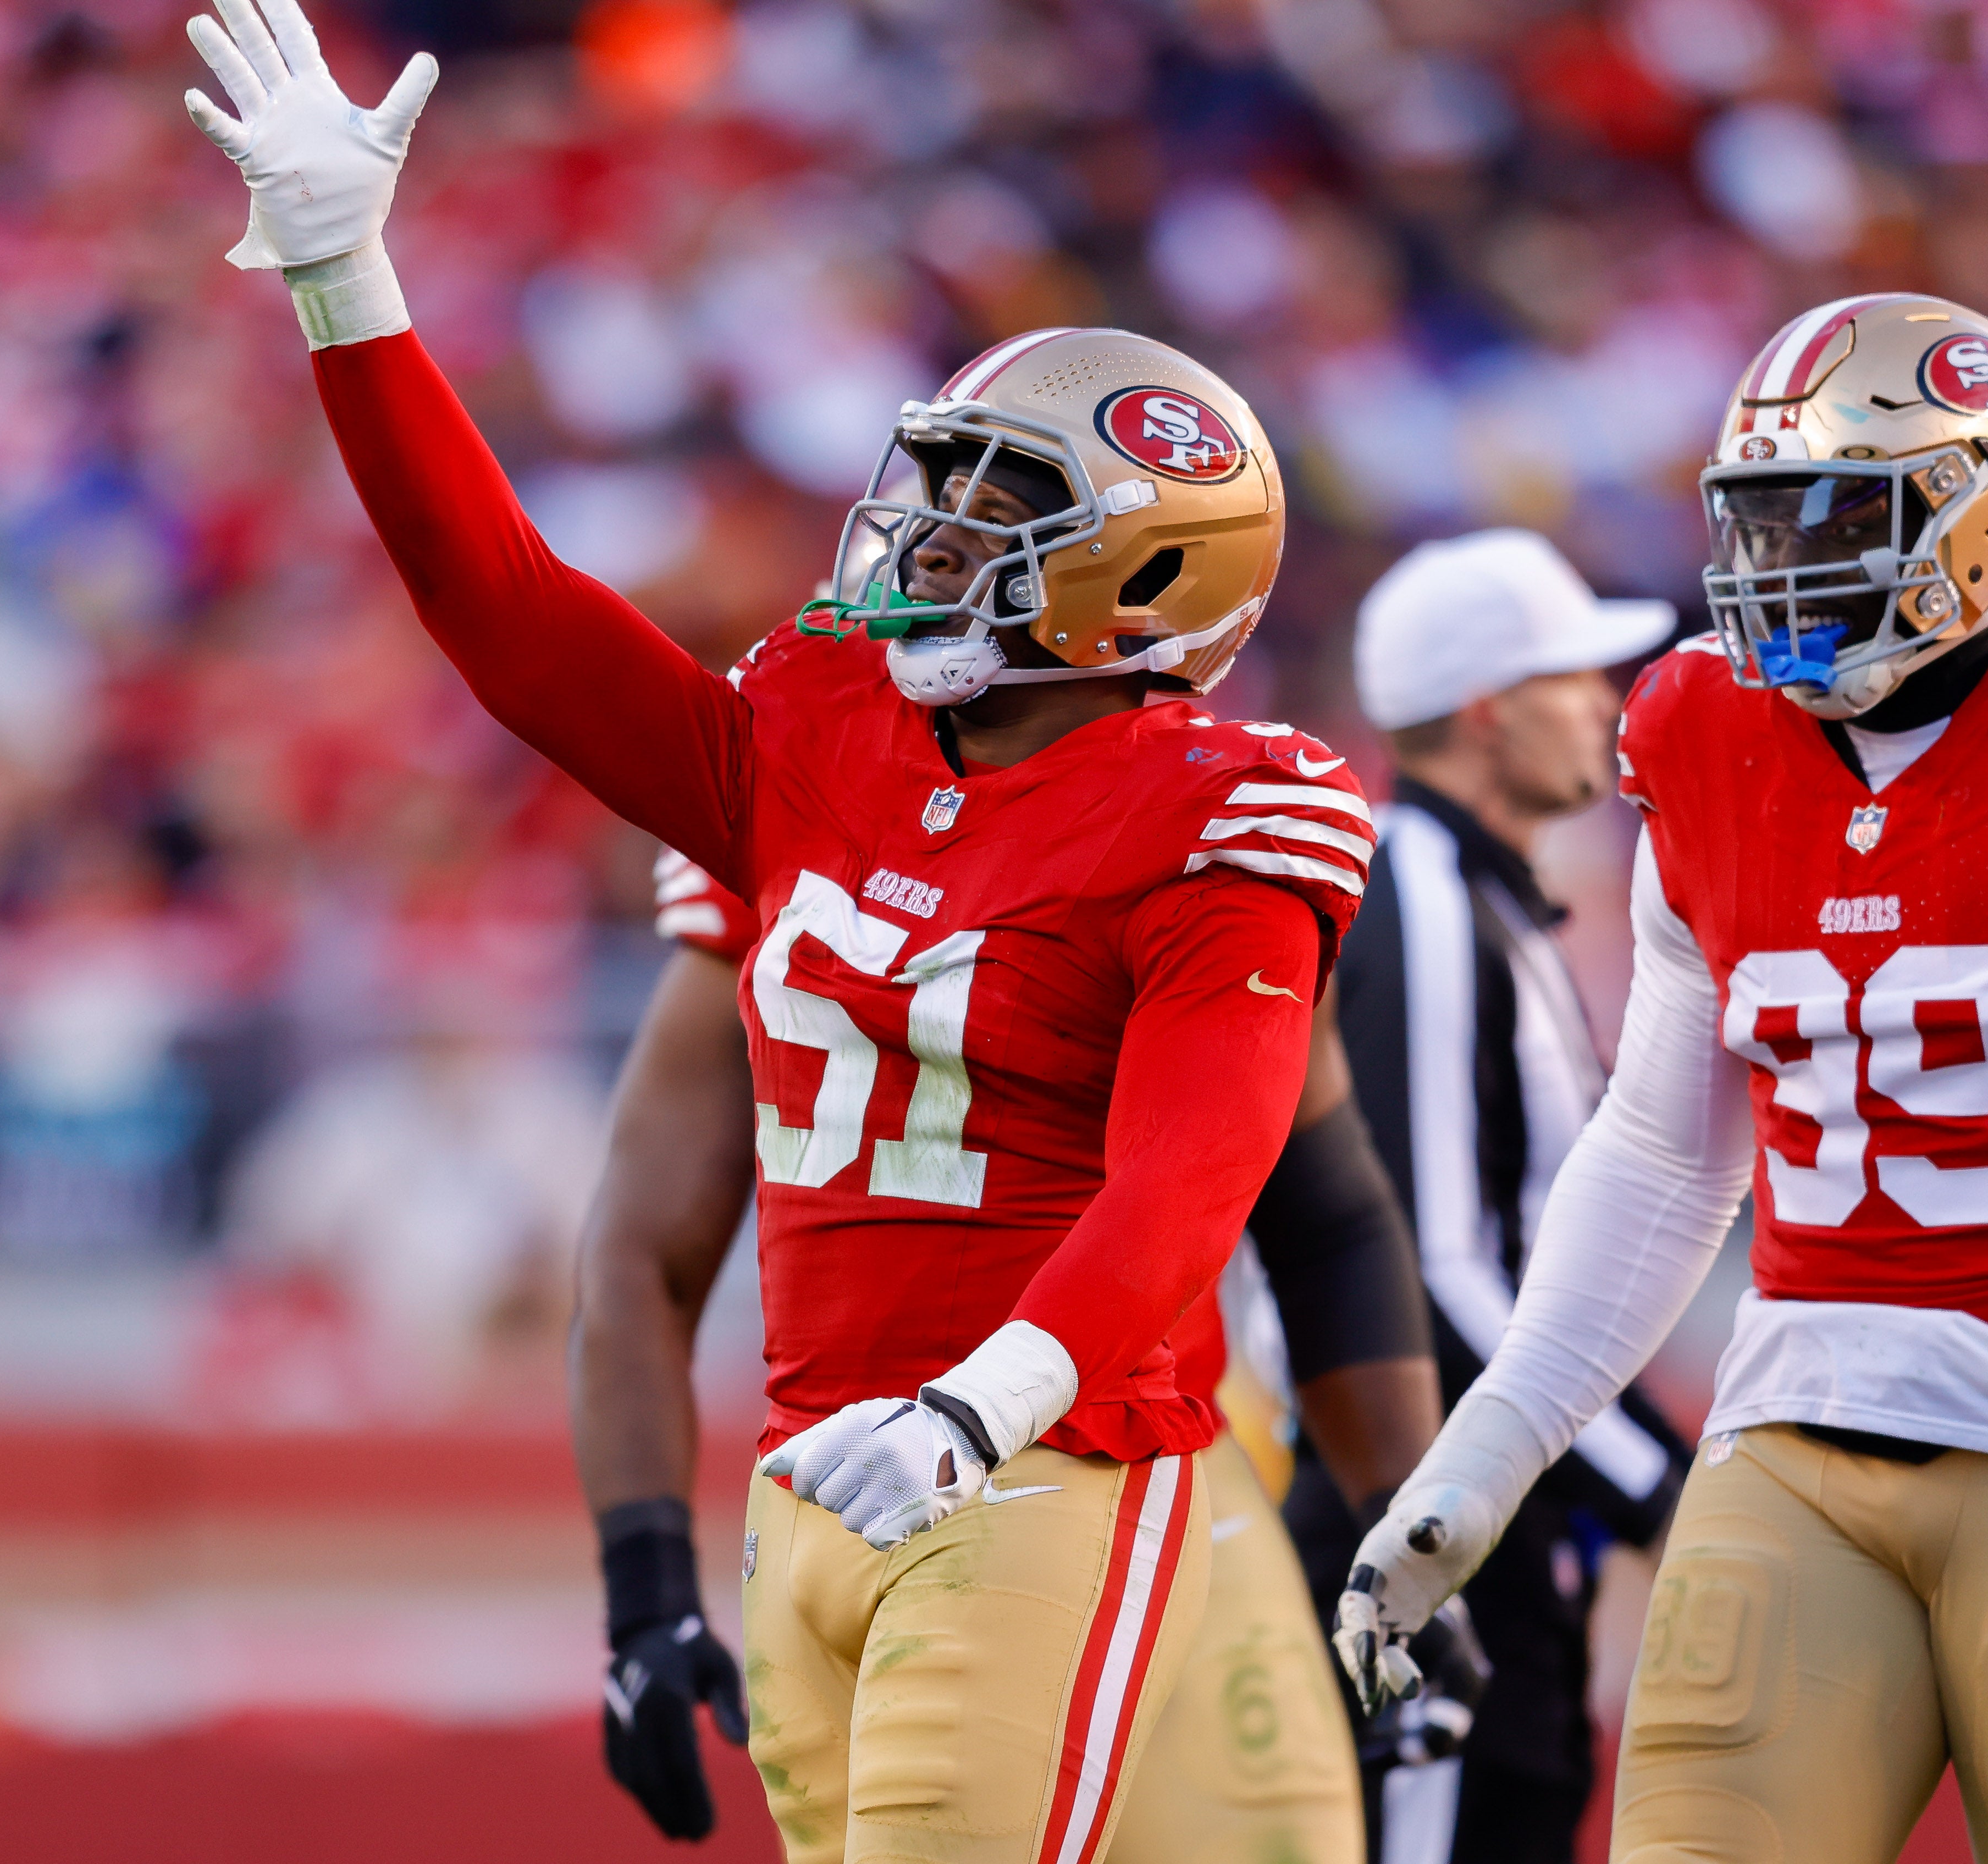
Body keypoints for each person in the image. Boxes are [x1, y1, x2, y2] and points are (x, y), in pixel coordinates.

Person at [184, 9, 1375, 1856]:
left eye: (1001, 508)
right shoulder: (820, 726)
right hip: (809, 1470)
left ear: (1140, 582)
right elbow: (505, 616)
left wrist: (979, 1414)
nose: (925, 533)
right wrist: (347, 280)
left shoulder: (1217, 807)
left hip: (1036, 1465)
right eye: (940, 480)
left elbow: (1188, 1187)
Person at [1332, 295, 1988, 1862]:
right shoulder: (1703, 736)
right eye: (1756, 529)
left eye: (1834, 518)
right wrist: (1486, 1457)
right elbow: (1660, 1154)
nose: (1779, 575)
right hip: (1797, 1429)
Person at [575, 848, 1446, 1856]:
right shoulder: (794, 797)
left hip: (1146, 1468)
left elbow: (1322, 1213)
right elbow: (644, 1250)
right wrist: (647, 1596)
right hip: (866, 1486)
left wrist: (1404, 1530)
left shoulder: (1202, 832)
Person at [1289, 531, 1688, 1863]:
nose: (1607, 705)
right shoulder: (1419, 883)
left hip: (1487, 1489)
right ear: (1483, 708)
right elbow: (1429, 1251)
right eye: (1574, 674)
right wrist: (1657, 1488)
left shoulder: (1479, 897)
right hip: (1434, 1505)